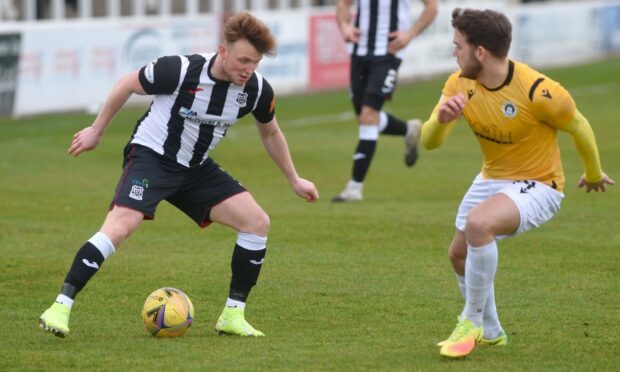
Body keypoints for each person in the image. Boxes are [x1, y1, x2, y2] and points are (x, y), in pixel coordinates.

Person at [38, 12, 319, 338]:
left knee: (257, 222)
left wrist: (294, 179)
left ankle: (232, 316)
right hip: (151, 159)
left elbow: (270, 134)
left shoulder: (255, 91)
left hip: (195, 167)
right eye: (243, 60)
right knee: (120, 226)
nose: (248, 68)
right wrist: (97, 130)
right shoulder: (180, 70)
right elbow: (128, 82)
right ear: (223, 51)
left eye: (255, 62)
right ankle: (60, 306)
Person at [418, 8, 615, 358]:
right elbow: (429, 142)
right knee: (458, 254)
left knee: (479, 224)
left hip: (539, 185)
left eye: (458, 46)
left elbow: (580, 126)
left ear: (480, 52)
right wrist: (440, 120)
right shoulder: (458, 84)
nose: (454, 53)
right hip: (492, 178)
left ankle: (471, 321)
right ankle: (492, 332)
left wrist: (595, 173)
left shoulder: (540, 91)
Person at [332, 0, 438, 202]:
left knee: (368, 117)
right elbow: (343, 4)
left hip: (388, 53)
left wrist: (410, 34)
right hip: (359, 52)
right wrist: (345, 26)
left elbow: (432, 7)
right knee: (364, 118)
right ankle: (409, 129)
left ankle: (354, 187)